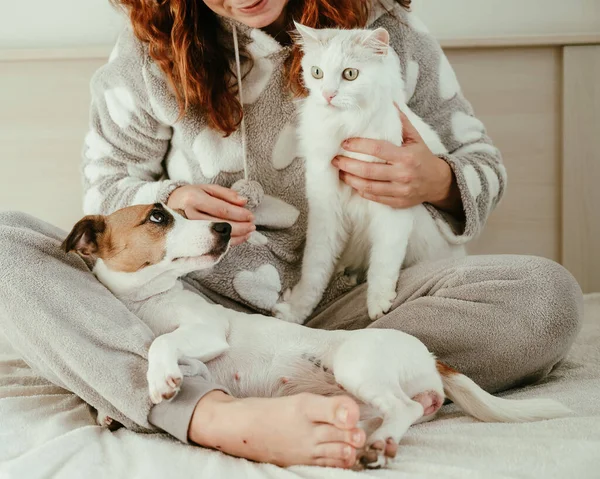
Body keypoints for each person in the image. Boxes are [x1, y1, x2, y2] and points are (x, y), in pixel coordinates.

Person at [0, 0, 583, 470]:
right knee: (7, 244)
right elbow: (104, 185)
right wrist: (168, 199)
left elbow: (481, 163)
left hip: (353, 309)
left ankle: (293, 380)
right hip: (184, 307)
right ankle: (211, 414)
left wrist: (437, 179)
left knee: (543, 296)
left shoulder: (386, 32)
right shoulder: (151, 49)